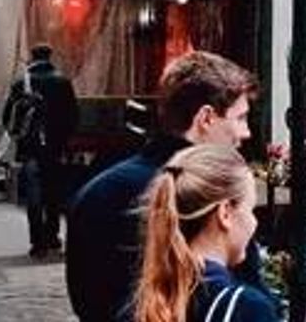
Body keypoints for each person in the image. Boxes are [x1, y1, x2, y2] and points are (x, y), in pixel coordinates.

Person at [67, 51, 259, 322]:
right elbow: (246, 303)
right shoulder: (214, 198)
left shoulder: (95, 191)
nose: (246, 133)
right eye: (240, 118)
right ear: (206, 119)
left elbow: (85, 300)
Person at [136, 145, 276, 322]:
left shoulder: (156, 297)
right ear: (225, 213)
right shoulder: (245, 307)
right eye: (250, 210)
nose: (254, 223)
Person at [3, 43, 78, 257]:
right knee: (53, 194)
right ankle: (53, 237)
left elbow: (7, 118)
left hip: (29, 150)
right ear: (50, 56)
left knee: (34, 198)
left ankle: (37, 242)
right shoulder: (62, 82)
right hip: (54, 149)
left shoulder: (21, 83)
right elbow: (73, 117)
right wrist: (63, 141)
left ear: (32, 57)